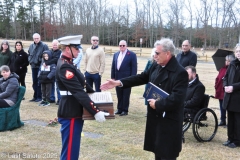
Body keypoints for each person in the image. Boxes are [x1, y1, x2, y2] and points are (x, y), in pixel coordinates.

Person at [101, 38, 188, 159]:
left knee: (167, 154)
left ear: (167, 53)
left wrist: (158, 104)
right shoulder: (156, 65)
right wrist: (119, 82)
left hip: (169, 122)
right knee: (158, 152)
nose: (155, 56)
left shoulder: (180, 72)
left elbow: (178, 98)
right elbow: (141, 77)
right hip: (156, 119)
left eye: (157, 53)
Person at [56, 35, 109, 160]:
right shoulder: (65, 66)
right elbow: (78, 91)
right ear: (68, 48)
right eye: (76, 48)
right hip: (71, 111)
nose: (79, 51)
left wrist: (97, 94)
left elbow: (83, 85)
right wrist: (95, 111)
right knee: (70, 151)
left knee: (73, 148)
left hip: (74, 110)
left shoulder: (69, 63)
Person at [111, 40, 137, 116]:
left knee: (126, 94)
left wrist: (132, 79)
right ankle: (119, 109)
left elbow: (134, 68)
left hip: (127, 79)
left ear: (126, 46)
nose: (122, 47)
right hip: (117, 78)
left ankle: (125, 110)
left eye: (123, 45)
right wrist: (113, 77)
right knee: (119, 94)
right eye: (120, 45)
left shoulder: (132, 55)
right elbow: (113, 67)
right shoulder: (116, 54)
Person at [222, 44, 240, 148]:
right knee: (231, 119)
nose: (239, 53)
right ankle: (230, 138)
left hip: (238, 96)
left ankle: (237, 141)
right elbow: (226, 77)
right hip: (229, 96)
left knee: (238, 120)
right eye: (237, 51)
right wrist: (225, 86)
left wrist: (233, 87)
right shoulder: (232, 63)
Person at [214, 54, 235, 126]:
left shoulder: (233, 69)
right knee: (221, 106)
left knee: (229, 107)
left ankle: (230, 122)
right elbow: (218, 78)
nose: (227, 62)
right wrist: (216, 85)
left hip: (228, 91)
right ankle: (222, 120)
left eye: (229, 61)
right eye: (226, 60)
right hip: (220, 91)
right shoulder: (222, 69)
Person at [28, 33, 49, 102]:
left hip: (40, 66)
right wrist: (30, 60)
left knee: (39, 82)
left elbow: (47, 55)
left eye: (37, 38)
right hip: (33, 66)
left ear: (40, 38)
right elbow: (29, 54)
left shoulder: (44, 46)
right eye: (35, 38)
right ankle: (35, 96)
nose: (36, 40)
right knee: (34, 82)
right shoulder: (31, 46)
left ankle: (39, 97)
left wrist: (42, 62)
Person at [43, 39, 61, 105]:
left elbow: (55, 59)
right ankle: (51, 98)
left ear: (58, 45)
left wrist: (47, 63)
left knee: (58, 86)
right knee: (51, 85)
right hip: (50, 71)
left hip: (57, 70)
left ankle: (59, 99)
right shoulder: (50, 51)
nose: (54, 46)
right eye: (53, 45)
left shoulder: (59, 52)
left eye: (56, 45)